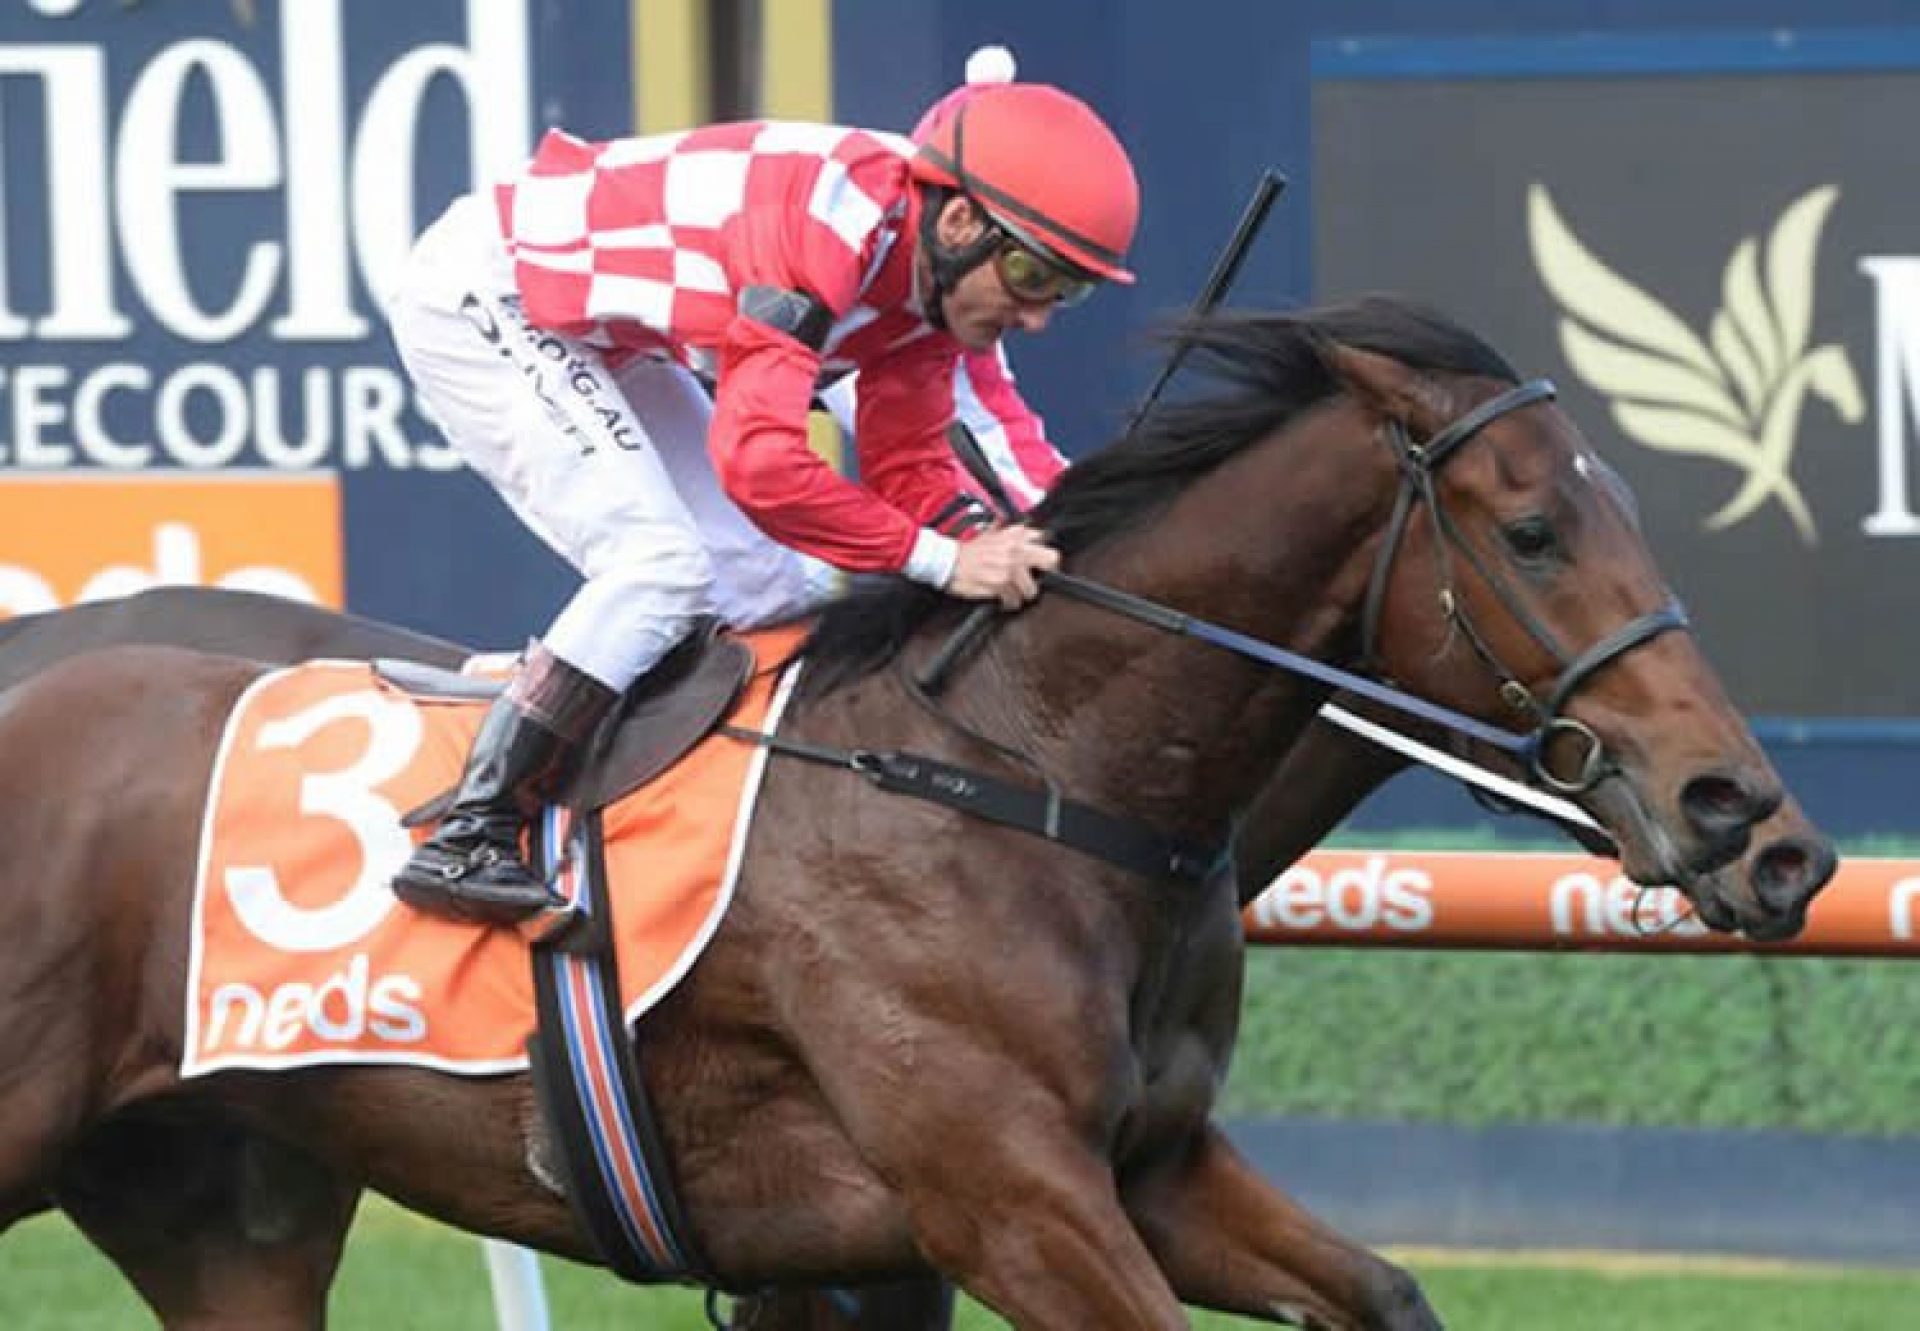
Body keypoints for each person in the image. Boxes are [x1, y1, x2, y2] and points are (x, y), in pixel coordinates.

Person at [384, 80, 1140, 924]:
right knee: (660, 565)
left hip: (608, 335)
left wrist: (992, 544)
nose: (1036, 318)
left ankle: (671, 832)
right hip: (492, 293)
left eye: (1065, 295)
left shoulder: (929, 288)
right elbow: (761, 465)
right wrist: (946, 561)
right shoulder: (830, 222)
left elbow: (911, 468)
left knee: (779, 593)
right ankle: (471, 830)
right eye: (1032, 276)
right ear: (960, 222)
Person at [817, 45, 1069, 511]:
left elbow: (1001, 425)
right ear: (953, 221)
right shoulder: (847, 268)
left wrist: (1087, 511)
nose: (1036, 316)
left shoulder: (953, 312)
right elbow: (934, 475)